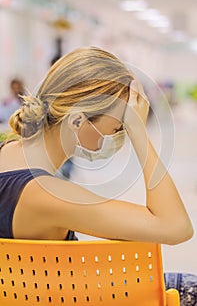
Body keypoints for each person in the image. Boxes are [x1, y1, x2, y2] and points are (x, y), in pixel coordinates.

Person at [0, 47, 194, 243]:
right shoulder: (49, 195)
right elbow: (176, 227)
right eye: (119, 126)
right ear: (77, 121)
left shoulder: (6, 154)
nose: (119, 135)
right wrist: (139, 132)